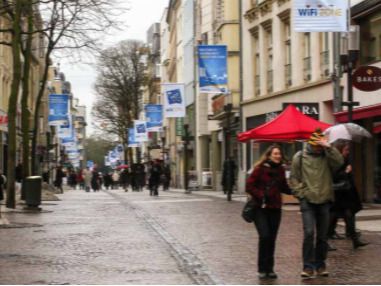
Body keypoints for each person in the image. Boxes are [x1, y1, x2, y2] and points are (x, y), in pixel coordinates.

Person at [290, 129, 343, 278]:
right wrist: (302, 194)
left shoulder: (327, 156)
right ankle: (307, 266)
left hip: (324, 200)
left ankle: (320, 264)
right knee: (308, 233)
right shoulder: (300, 157)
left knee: (322, 235)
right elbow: (294, 178)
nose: (318, 148)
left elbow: (339, 162)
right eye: (316, 145)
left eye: (320, 145)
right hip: (308, 200)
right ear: (310, 144)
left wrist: (328, 147)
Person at [246, 145, 291, 280]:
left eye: (279, 154)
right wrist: (261, 195)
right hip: (260, 208)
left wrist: (298, 192)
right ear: (269, 155)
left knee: (272, 238)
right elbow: (249, 186)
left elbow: (284, 187)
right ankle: (261, 268)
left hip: (275, 208)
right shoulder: (260, 169)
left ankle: (270, 268)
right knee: (265, 236)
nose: (278, 156)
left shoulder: (281, 170)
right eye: (275, 153)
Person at [328, 140, 368, 249]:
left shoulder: (345, 160)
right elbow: (334, 176)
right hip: (338, 195)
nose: (348, 152)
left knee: (348, 216)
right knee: (333, 218)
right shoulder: (336, 162)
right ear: (340, 150)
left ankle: (355, 240)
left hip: (345, 194)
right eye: (346, 149)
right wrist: (346, 172)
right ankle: (324, 241)